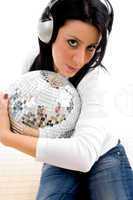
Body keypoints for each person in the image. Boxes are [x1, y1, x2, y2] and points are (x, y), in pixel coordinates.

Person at [0, 0, 133, 199]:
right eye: (72, 42)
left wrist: (8, 138)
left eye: (91, 47)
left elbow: (84, 156)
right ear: (48, 32)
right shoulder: (33, 65)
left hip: (104, 156)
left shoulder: (97, 80)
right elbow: (29, 116)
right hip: (60, 156)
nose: (80, 60)